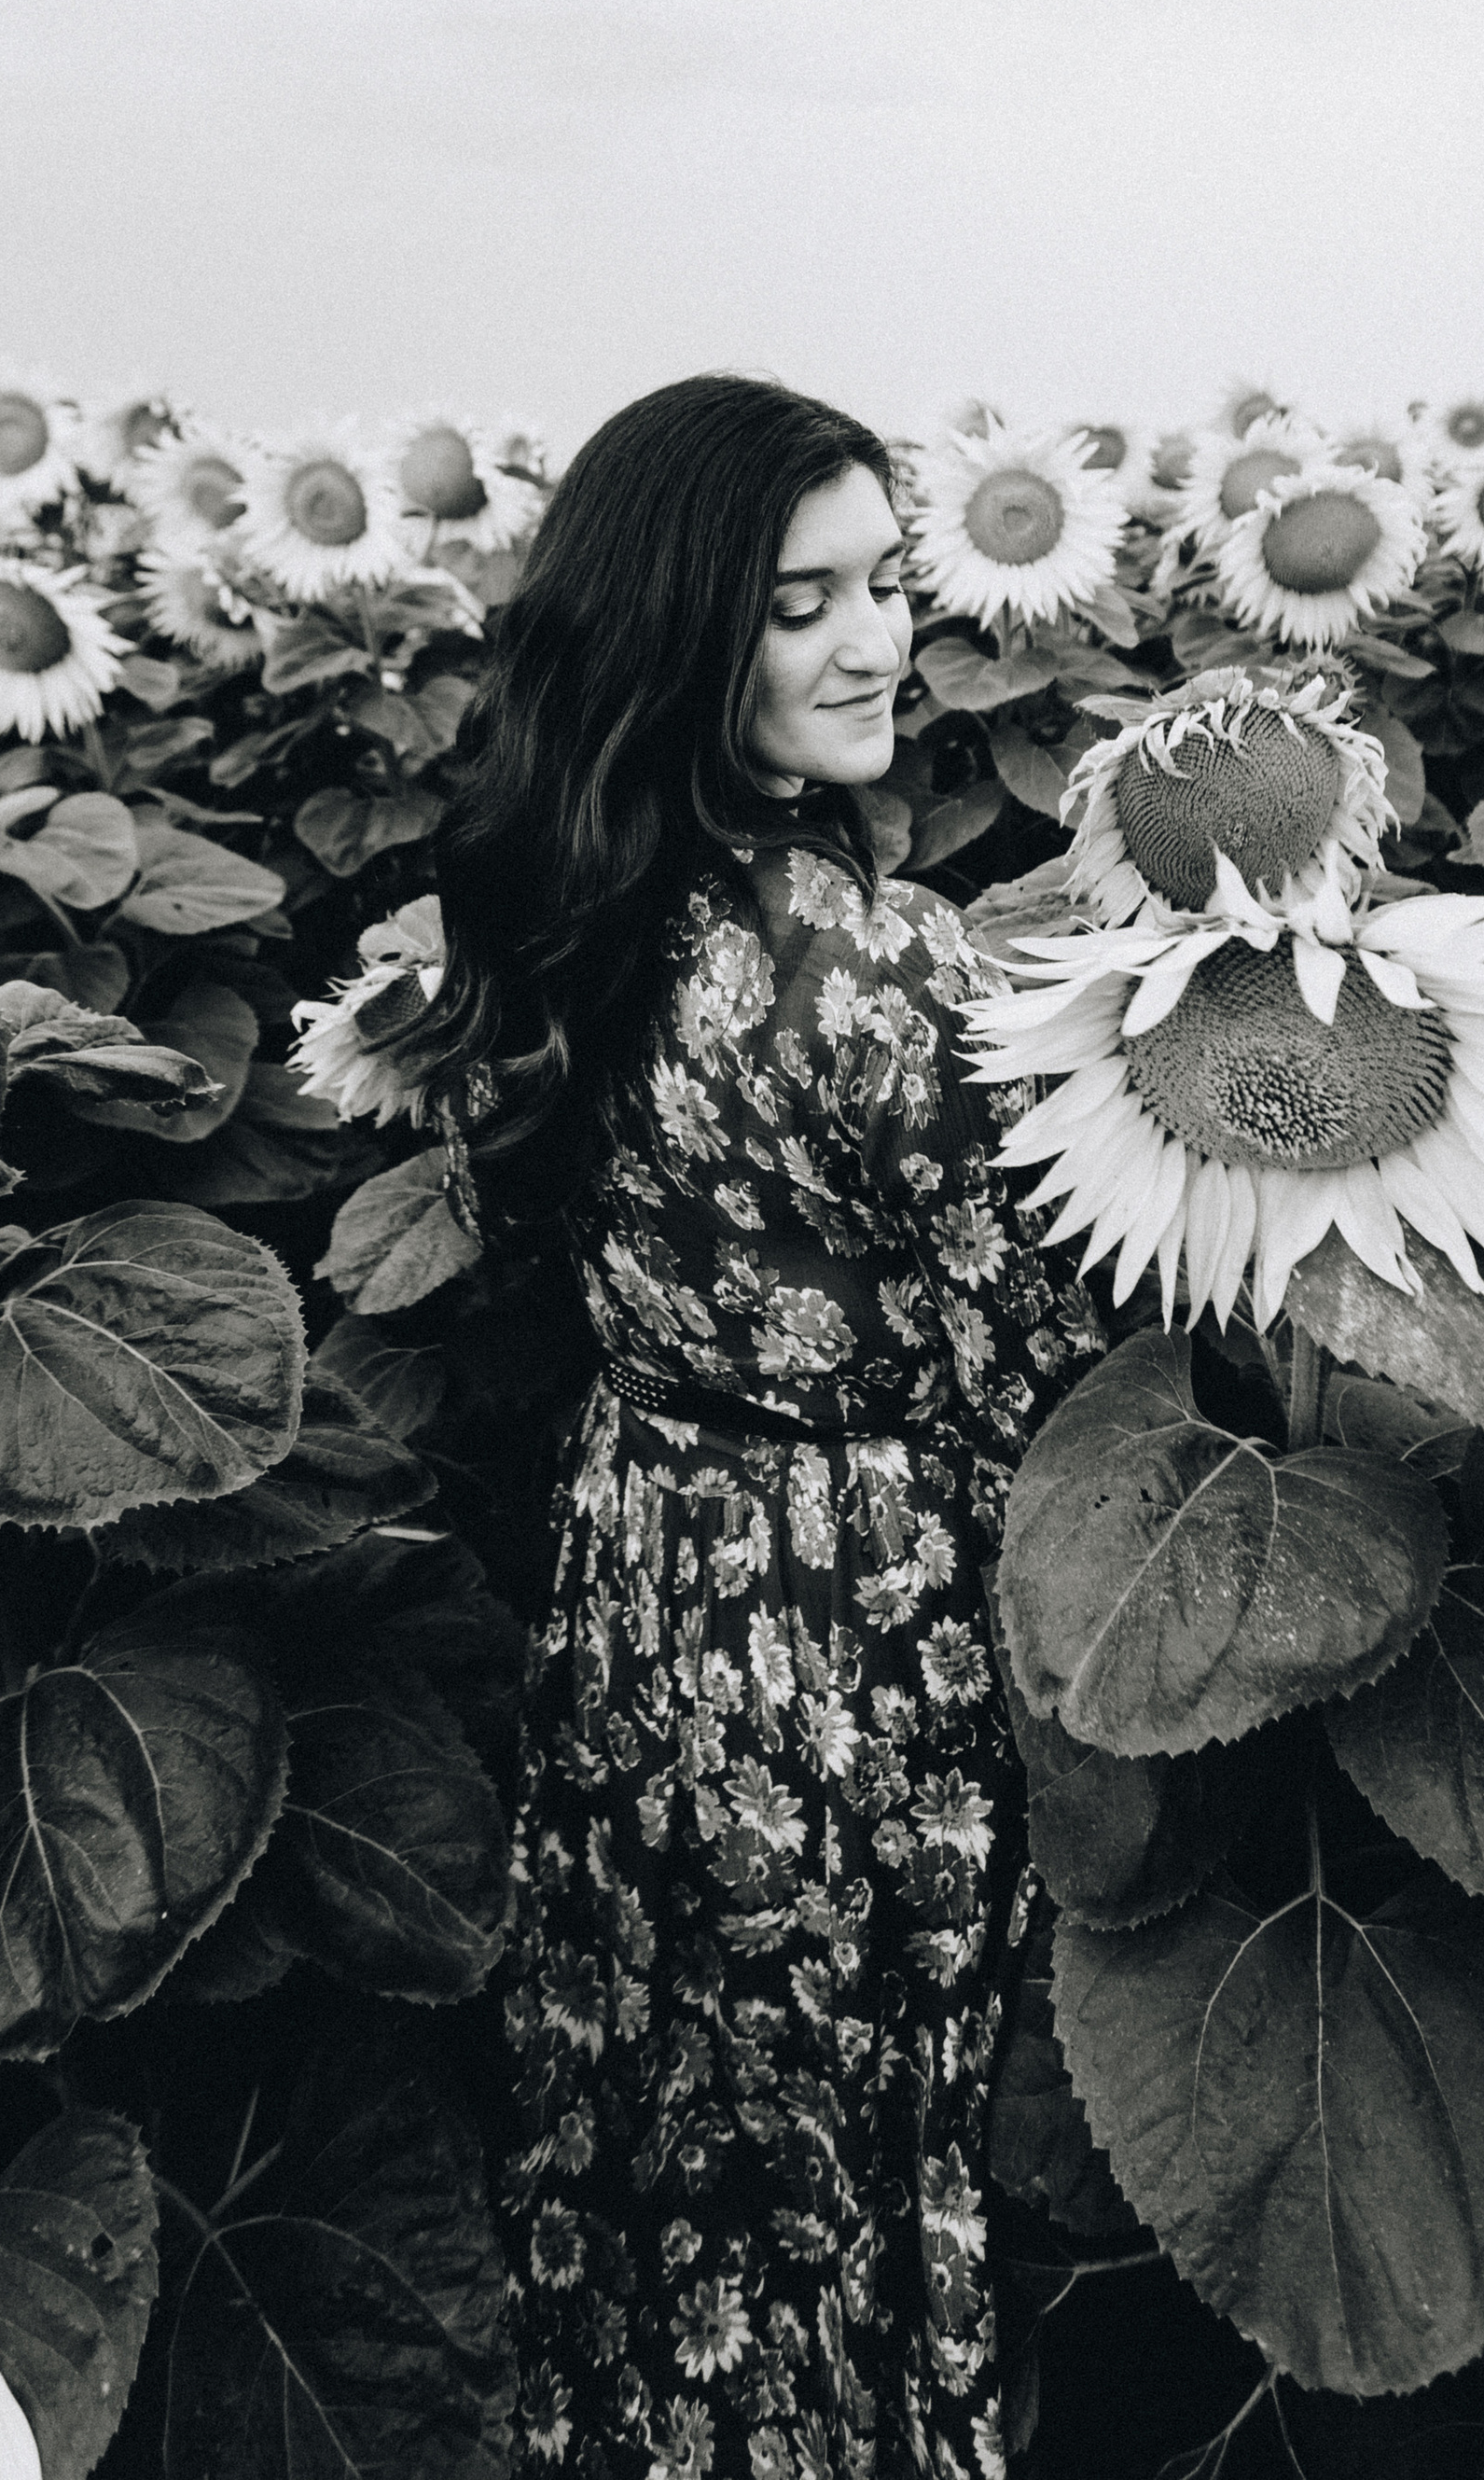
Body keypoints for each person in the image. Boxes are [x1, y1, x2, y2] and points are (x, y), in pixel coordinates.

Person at [405, 373, 1104, 2480]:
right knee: (877, 2150)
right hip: (866, 1632)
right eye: (800, 604)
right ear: (679, 633)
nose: (878, 641)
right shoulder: (883, 977)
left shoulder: (573, 915)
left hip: (655, 1588)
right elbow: (1039, 1392)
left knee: (679, 2123)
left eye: (885, 586)